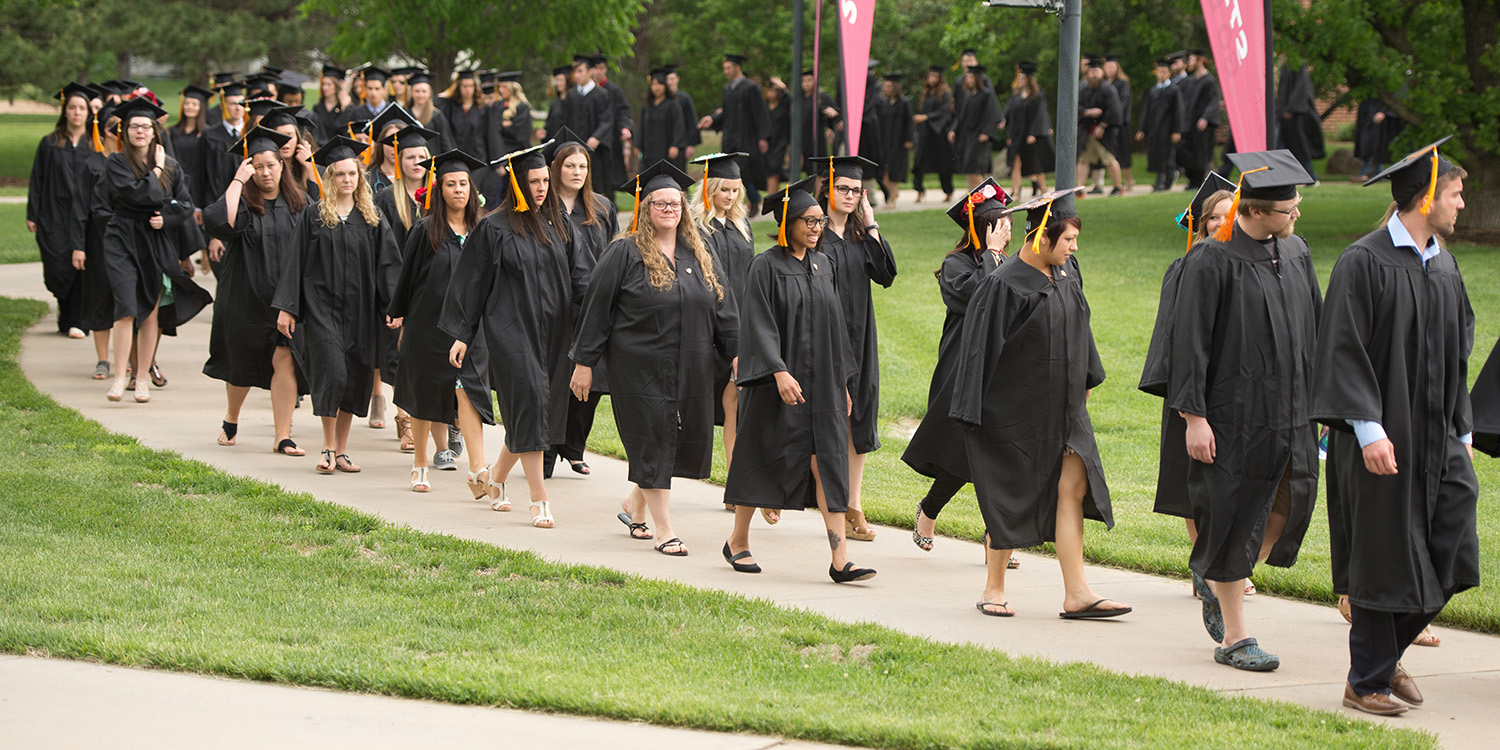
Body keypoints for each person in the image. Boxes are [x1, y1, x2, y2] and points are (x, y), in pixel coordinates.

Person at [1312, 138, 1475, 716]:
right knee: (1383, 554)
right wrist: (1367, 428)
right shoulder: (1365, 260)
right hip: (1382, 436)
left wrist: (1462, 430)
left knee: (1455, 545)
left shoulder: (1442, 263)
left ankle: (1386, 651)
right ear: (1426, 196)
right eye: (1455, 195)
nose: (1462, 205)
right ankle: (1367, 678)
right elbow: (1342, 350)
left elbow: (1458, 351)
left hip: (1440, 437)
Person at [1165, 151, 1321, 670]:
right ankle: (1236, 636)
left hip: (1292, 411)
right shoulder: (1211, 260)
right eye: (1288, 209)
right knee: (1233, 516)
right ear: (1254, 209)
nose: (1296, 216)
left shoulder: (1295, 252)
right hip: (1234, 413)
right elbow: (1188, 343)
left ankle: (1217, 578)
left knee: (1290, 504)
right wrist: (1194, 417)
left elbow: (1315, 329)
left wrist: (1320, 404)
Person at [950, 187, 1128, 620]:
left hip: (1066, 408)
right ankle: (993, 588)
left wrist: (1086, 373)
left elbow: (1081, 324)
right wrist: (974, 413)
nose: (1074, 247)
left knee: (1074, 486)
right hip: (1015, 409)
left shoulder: (1066, 272)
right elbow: (978, 350)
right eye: (1068, 239)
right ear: (1042, 238)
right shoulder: (1003, 284)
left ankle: (1077, 592)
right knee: (1012, 493)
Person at [571, 161, 738, 557]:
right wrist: (583, 363)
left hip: (692, 363)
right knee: (653, 439)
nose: (668, 210)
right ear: (645, 209)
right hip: (638, 367)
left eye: (675, 203)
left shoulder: (699, 250)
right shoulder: (623, 253)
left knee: (676, 439)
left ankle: (634, 504)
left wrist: (736, 353)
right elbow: (596, 310)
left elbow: (722, 303)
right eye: (660, 203)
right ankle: (665, 530)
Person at [722, 176, 875, 584]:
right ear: (787, 221)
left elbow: (836, 326)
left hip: (822, 382)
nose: (815, 228)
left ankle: (840, 558)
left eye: (821, 221)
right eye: (808, 220)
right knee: (760, 457)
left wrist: (842, 379)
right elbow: (757, 324)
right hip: (780, 383)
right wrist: (778, 370)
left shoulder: (823, 265)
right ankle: (737, 540)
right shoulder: (766, 266)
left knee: (830, 463)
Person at [441, 143, 588, 527]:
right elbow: (472, 283)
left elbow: (581, 278)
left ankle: (497, 478)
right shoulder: (494, 227)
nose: (541, 187)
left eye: (545, 180)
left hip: (554, 334)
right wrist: (462, 333)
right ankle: (539, 498)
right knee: (531, 400)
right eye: (533, 181)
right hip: (509, 330)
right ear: (518, 183)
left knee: (534, 410)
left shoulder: (560, 224)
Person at [272, 136, 400, 475]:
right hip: (321, 309)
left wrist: (394, 307)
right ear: (330, 178)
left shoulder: (372, 218)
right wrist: (287, 307)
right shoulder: (315, 215)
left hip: (361, 312)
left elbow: (389, 265)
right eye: (340, 174)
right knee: (331, 371)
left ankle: (341, 451)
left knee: (354, 378)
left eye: (352, 174)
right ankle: (328, 446)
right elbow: (295, 262)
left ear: (360, 178)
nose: (347, 180)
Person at [901, 179, 1012, 556]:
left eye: (1007, 222)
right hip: (961, 368)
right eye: (997, 223)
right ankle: (930, 509)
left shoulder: (1011, 264)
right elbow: (979, 297)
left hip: (1001, 367)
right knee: (959, 450)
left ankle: (996, 536)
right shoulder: (957, 263)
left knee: (998, 452)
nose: (1005, 230)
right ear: (981, 229)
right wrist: (993, 256)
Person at [1139, 174, 1236, 584]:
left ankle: (1227, 563)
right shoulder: (1185, 267)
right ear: (1201, 223)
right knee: (1192, 483)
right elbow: (1169, 333)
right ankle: (1204, 564)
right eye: (1214, 217)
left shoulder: (1256, 264)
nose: (1221, 223)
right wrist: (1182, 396)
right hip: (1192, 386)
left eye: (1229, 215)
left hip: (1237, 387)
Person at [387, 148, 495, 494]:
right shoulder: (424, 231)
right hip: (427, 326)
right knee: (424, 394)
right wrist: (399, 316)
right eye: (451, 184)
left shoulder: (483, 231)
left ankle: (477, 469)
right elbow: (406, 278)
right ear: (440, 189)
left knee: (469, 393)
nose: (459, 190)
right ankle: (420, 462)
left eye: (464, 183)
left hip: (469, 330)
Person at [202, 126, 310, 456]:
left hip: (285, 300)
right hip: (245, 297)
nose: (265, 172)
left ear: (283, 166)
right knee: (242, 363)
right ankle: (232, 417)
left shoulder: (299, 202)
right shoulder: (245, 202)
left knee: (285, 361)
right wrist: (237, 180)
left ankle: (282, 435)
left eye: (271, 165)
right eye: (258, 166)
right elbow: (220, 221)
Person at [99, 97, 211, 404]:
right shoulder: (117, 163)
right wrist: (158, 167)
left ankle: (142, 377)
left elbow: (185, 205)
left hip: (155, 240)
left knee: (149, 310)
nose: (139, 132)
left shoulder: (172, 167)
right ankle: (120, 376)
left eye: (145, 126)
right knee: (125, 307)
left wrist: (168, 218)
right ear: (125, 131)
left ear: (154, 130)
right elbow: (139, 195)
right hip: (122, 237)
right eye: (133, 126)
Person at [808, 155, 897, 542]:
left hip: (861, 340)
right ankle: (835, 504)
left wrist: (871, 221)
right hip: (824, 340)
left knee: (857, 420)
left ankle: (853, 504)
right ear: (826, 189)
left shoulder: (862, 236)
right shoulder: (815, 236)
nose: (849, 195)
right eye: (842, 188)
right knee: (826, 423)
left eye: (856, 190)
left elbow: (887, 275)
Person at [542, 128, 618, 478]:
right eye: (570, 166)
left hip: (594, 305)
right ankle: (545, 448)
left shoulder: (601, 207)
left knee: (593, 378)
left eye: (582, 166)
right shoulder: (543, 207)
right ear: (556, 168)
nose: (576, 172)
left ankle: (574, 446)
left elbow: (614, 253)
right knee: (554, 379)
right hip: (554, 305)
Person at [373, 125, 439, 455]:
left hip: (432, 288)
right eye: (410, 157)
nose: (417, 162)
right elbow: (382, 250)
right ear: (399, 160)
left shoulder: (439, 193)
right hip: (397, 286)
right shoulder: (387, 198)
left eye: (422, 157)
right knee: (399, 358)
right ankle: (405, 421)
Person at [689, 152, 753, 474]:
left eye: (735, 189)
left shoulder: (742, 226)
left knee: (735, 402)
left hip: (740, 321)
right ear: (709, 188)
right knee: (698, 408)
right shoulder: (697, 228)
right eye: (724, 189)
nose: (730, 196)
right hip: (708, 326)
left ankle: (733, 480)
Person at [28, 83, 96, 340]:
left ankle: (77, 319)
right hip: (54, 214)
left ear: (89, 113)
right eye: (73, 107)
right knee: (58, 265)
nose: (77, 112)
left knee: (82, 265)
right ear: (64, 111)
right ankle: (64, 309)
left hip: (86, 215)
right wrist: (32, 214)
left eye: (82, 108)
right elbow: (38, 179)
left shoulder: (95, 144)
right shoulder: (49, 143)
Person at [698, 54, 772, 211]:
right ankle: (744, 201)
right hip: (730, 138)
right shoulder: (728, 89)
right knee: (730, 170)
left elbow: (760, 113)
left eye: (728, 68)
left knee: (743, 170)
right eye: (724, 69)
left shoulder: (751, 88)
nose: (725, 72)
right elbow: (725, 113)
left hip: (747, 138)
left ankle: (752, 198)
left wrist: (763, 136)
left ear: (738, 68)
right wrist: (712, 119)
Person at [563, 54, 615, 203]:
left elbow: (607, 120)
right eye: (575, 72)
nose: (577, 75)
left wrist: (597, 137)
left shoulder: (602, 95)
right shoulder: (571, 95)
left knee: (597, 186)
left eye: (580, 71)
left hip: (596, 151)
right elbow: (565, 122)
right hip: (575, 149)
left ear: (590, 71)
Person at [1136, 59, 1186, 192]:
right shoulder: (1153, 91)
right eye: (1159, 72)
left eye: (1164, 72)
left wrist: (1177, 130)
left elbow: (1178, 112)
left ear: (1169, 73)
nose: (1161, 74)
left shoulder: (1174, 90)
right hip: (1154, 129)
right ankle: (1166, 179)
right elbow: (1147, 111)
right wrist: (1142, 129)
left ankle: (1161, 182)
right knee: (1157, 154)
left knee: (1166, 155)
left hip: (1167, 129)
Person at [1076, 59, 1124, 196]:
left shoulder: (1108, 89)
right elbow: (1076, 106)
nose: (1093, 74)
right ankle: (1079, 189)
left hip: (1105, 132)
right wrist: (1087, 112)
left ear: (1101, 72)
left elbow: (1114, 110)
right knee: (1084, 160)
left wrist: (1103, 125)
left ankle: (1118, 187)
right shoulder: (1083, 89)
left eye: (1096, 71)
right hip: (1088, 131)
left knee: (1109, 159)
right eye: (1091, 71)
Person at [948, 66, 1000, 190]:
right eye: (967, 77)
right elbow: (961, 115)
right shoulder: (968, 95)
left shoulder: (986, 95)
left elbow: (990, 114)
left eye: (971, 77)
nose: (968, 80)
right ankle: (973, 195)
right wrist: (953, 129)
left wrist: (986, 132)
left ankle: (983, 197)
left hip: (979, 136)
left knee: (975, 168)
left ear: (977, 78)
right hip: (967, 135)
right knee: (968, 167)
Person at [1178, 50, 1221, 190]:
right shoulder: (1190, 81)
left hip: (1203, 124)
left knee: (1201, 152)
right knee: (1183, 149)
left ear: (1200, 60)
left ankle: (1197, 182)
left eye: (1191, 59)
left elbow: (1213, 101)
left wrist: (1205, 117)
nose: (1189, 62)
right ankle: (1192, 178)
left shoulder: (1210, 81)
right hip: (1189, 123)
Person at [912, 66, 955, 203]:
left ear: (940, 79)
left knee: (943, 165)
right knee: (918, 162)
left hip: (939, 135)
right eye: (930, 76)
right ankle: (919, 190)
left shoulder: (945, 94)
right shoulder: (927, 94)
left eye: (935, 77)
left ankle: (948, 191)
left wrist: (926, 117)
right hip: (925, 134)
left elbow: (944, 113)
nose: (932, 79)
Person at [1275, 65, 1325, 183]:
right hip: (1284, 115)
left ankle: (1311, 177)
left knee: (1298, 147)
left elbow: (1301, 89)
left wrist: (1291, 109)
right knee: (1281, 147)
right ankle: (1283, 178)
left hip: (1295, 117)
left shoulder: (1298, 65)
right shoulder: (1286, 66)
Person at [168, 84, 213, 210]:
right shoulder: (172, 132)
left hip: (198, 186)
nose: (189, 107)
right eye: (187, 103)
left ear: (201, 107)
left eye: (194, 104)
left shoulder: (208, 133)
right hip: (176, 184)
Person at [874, 74, 913, 207]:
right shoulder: (882, 103)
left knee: (894, 171)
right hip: (885, 142)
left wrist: (909, 139)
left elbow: (909, 123)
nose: (886, 88)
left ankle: (892, 198)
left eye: (889, 86)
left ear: (895, 87)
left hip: (898, 143)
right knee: (883, 173)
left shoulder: (904, 103)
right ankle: (893, 194)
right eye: (885, 86)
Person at [637, 68, 686, 170]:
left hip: (667, 151)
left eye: (659, 84)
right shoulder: (647, 106)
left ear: (665, 86)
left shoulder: (673, 105)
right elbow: (641, 126)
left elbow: (679, 126)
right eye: (653, 84)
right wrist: (638, 145)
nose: (656, 87)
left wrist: (675, 145)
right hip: (649, 151)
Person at [793, 69, 839, 177]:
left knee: (818, 170)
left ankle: (817, 193)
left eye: (809, 80)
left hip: (817, 139)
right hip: (802, 140)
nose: (806, 83)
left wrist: (830, 122)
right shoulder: (799, 99)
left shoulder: (821, 96)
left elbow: (835, 114)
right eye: (803, 81)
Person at [1352, 97, 1404, 183]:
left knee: (1381, 149)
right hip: (1373, 123)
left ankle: (1369, 175)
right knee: (1373, 148)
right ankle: (1372, 175)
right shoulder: (1371, 94)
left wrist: (1384, 112)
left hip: (1389, 124)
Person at [440, 70, 489, 160]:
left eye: (471, 86)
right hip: (457, 156)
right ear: (459, 87)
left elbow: (490, 134)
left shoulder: (482, 108)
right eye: (464, 86)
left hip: (478, 157)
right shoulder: (451, 107)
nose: (468, 90)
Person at [485, 72, 532, 161]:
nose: (500, 90)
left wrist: (501, 127)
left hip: (518, 153)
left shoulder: (522, 107)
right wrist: (504, 125)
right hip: (500, 152)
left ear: (512, 88)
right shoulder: (497, 106)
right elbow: (493, 126)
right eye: (500, 87)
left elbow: (520, 134)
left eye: (504, 87)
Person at [1104, 56, 1134, 192]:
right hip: (1108, 123)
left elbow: (1123, 102)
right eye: (1107, 67)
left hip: (1120, 122)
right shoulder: (1103, 84)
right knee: (1111, 153)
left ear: (1117, 68)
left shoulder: (1123, 83)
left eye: (1112, 67)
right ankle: (1117, 181)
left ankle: (1129, 179)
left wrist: (1114, 116)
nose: (1109, 69)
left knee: (1123, 151)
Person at [406, 71, 456, 152]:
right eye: (417, 91)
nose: (420, 95)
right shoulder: (406, 114)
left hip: (433, 161)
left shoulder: (437, 115)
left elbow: (446, 143)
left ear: (430, 93)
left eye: (424, 91)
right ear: (411, 93)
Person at [666, 66, 700, 162]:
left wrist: (690, 144)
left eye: (672, 79)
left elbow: (691, 121)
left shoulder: (685, 99)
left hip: (682, 144)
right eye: (667, 79)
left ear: (677, 79)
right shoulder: (662, 101)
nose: (669, 82)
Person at [762, 78, 790, 194]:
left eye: (774, 91)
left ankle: (771, 198)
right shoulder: (764, 107)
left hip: (780, 143)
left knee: (774, 171)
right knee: (766, 171)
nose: (771, 93)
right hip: (766, 143)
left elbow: (792, 100)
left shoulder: (784, 106)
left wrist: (784, 88)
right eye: (770, 90)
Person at [311, 64, 349, 144]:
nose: (325, 87)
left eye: (329, 84)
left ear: (336, 86)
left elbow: (343, 130)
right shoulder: (317, 108)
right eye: (323, 84)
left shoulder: (344, 107)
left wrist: (344, 108)